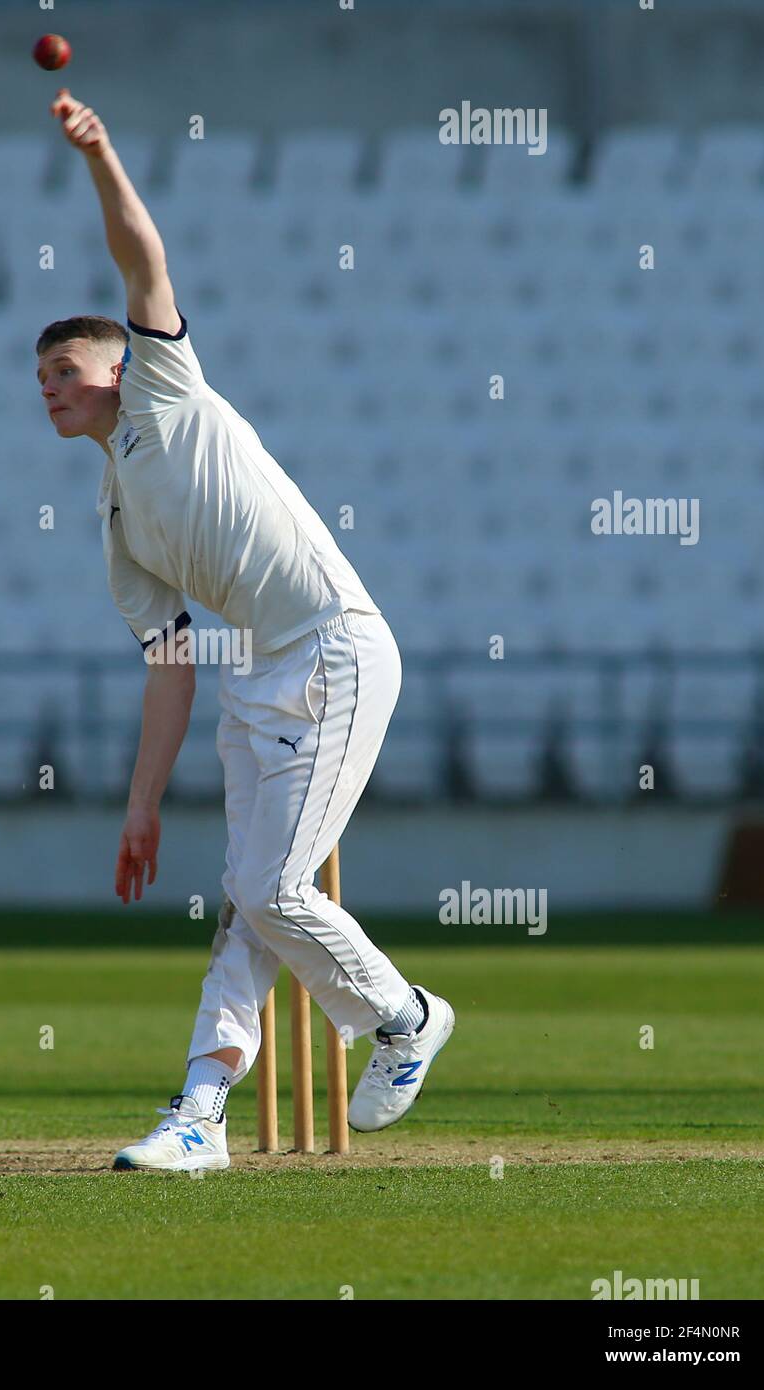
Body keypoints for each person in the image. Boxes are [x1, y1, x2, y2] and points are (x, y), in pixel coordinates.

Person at [36, 90, 454, 1172]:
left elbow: (142, 260)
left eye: (66, 371)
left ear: (116, 370)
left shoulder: (165, 393)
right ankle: (199, 1115)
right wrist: (139, 807)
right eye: (39, 380)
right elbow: (169, 669)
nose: (51, 390)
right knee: (248, 908)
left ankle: (405, 1014)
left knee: (272, 892)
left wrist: (99, 155)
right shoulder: (117, 521)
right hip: (261, 670)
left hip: (337, 645)